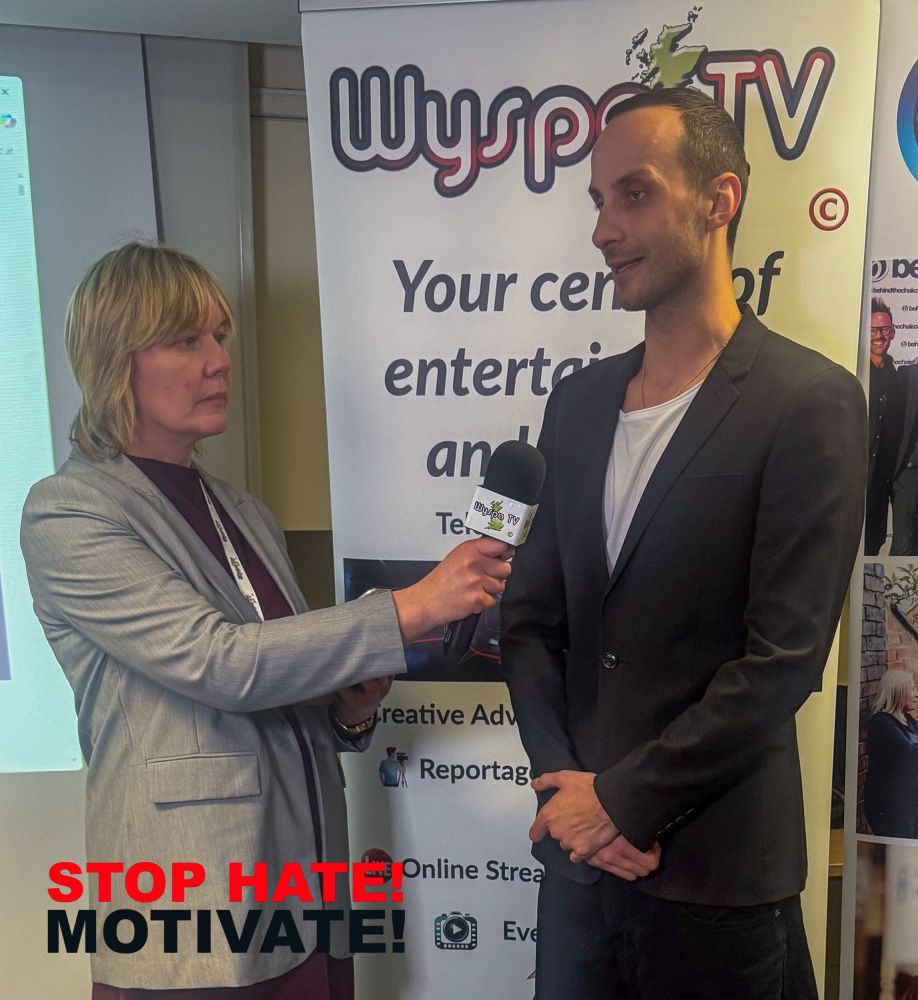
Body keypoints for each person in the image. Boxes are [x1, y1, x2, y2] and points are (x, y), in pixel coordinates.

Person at [19, 242, 513, 998]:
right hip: (192, 919)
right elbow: (219, 664)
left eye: (219, 337)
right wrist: (413, 606)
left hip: (305, 894)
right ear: (116, 358)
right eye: (186, 340)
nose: (219, 361)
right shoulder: (71, 511)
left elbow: (275, 682)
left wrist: (345, 710)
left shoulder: (244, 512)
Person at [500, 87, 866, 999]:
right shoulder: (577, 404)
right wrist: (567, 792)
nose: (603, 230)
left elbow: (781, 662)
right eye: (598, 201)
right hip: (580, 875)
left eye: (635, 194)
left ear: (718, 200)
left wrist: (622, 802)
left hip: (717, 886)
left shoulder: (807, 402)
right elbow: (531, 622)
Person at [866, 297, 902, 555]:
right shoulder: (854, 374)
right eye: (873, 330)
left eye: (884, 330)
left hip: (883, 481)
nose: (879, 336)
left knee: (873, 542)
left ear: (893, 333)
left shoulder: (897, 377)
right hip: (856, 479)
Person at [864, 669, 918, 838]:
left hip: (909, 804)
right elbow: (908, 754)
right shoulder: (881, 723)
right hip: (889, 808)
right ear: (899, 692)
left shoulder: (908, 720)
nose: (915, 694)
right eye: (912, 689)